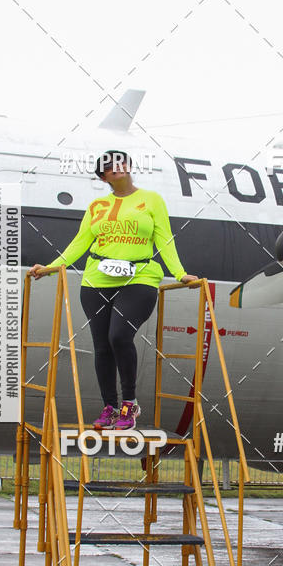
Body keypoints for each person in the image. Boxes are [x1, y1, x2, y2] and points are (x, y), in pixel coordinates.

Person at [28, 150, 197, 430]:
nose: (116, 167)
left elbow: (165, 239)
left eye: (120, 162)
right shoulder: (97, 206)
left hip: (140, 276)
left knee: (119, 336)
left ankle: (129, 405)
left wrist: (179, 273)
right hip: (97, 279)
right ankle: (109, 408)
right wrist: (51, 266)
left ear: (129, 167)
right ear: (103, 177)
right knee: (102, 346)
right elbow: (80, 242)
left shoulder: (152, 200)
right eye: (108, 166)